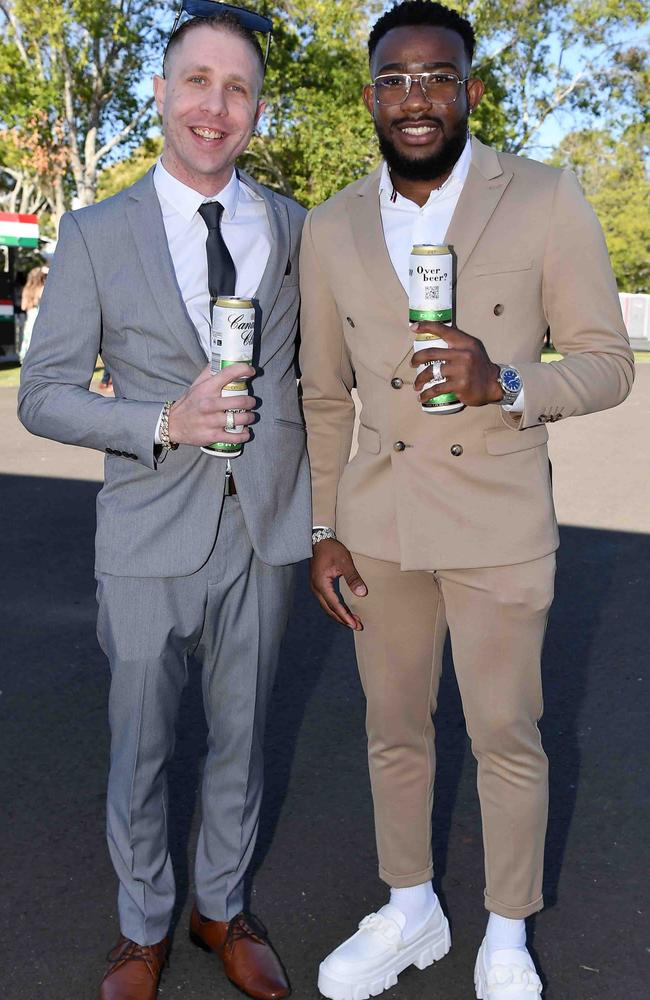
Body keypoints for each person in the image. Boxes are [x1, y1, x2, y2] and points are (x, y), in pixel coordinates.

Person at [298, 3, 634, 999]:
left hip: (496, 521)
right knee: (393, 725)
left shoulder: (541, 197)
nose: (415, 99)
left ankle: (505, 928)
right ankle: (409, 908)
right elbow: (323, 393)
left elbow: (607, 365)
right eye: (395, 79)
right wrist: (322, 526)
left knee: (504, 731)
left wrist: (507, 382)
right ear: (369, 97)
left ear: (468, 91)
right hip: (378, 523)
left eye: (436, 77)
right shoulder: (328, 226)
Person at [19, 6, 311, 1000]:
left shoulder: (291, 226)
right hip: (146, 535)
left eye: (236, 88)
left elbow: (321, 379)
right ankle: (141, 924)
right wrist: (161, 422)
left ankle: (219, 906)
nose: (213, 106)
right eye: (196, 80)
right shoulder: (95, 231)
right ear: (160, 90)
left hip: (264, 530)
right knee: (141, 747)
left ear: (257, 110)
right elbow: (43, 394)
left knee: (242, 738)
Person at [18, 265, 47, 363]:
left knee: (27, 337)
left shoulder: (26, 289)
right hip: (39, 314)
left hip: (29, 315)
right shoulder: (42, 288)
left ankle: (24, 358)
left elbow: (23, 307)